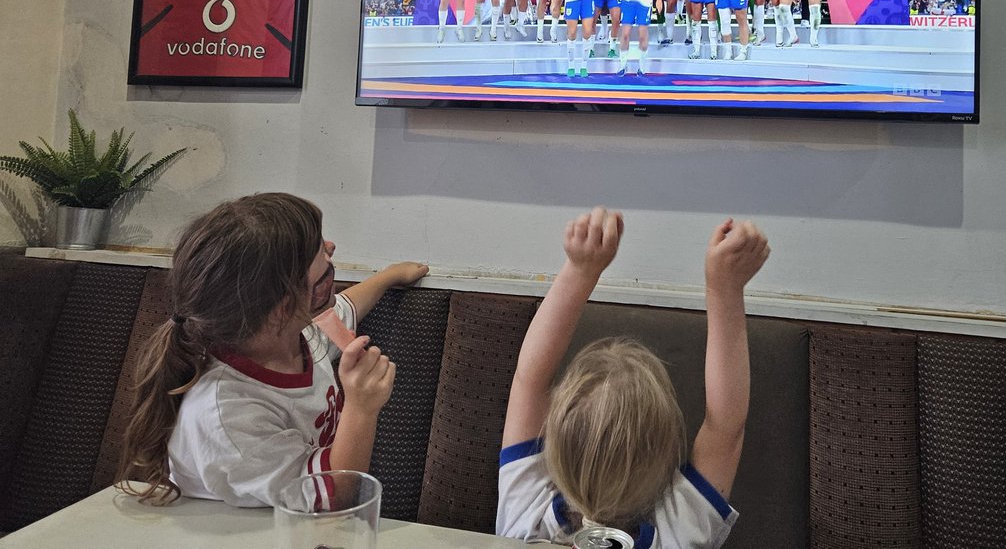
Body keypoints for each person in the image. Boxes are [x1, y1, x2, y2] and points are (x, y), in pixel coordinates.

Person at [117, 192, 429, 507]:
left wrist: (388, 276)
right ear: (283, 309)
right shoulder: (228, 411)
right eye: (323, 264)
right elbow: (332, 497)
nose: (331, 247)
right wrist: (362, 408)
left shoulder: (295, 336)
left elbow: (344, 308)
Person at [497, 207, 770, 548]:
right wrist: (725, 286)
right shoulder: (678, 534)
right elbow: (725, 426)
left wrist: (580, 270)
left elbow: (529, 380)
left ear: (552, 440)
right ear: (670, 452)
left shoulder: (525, 515)